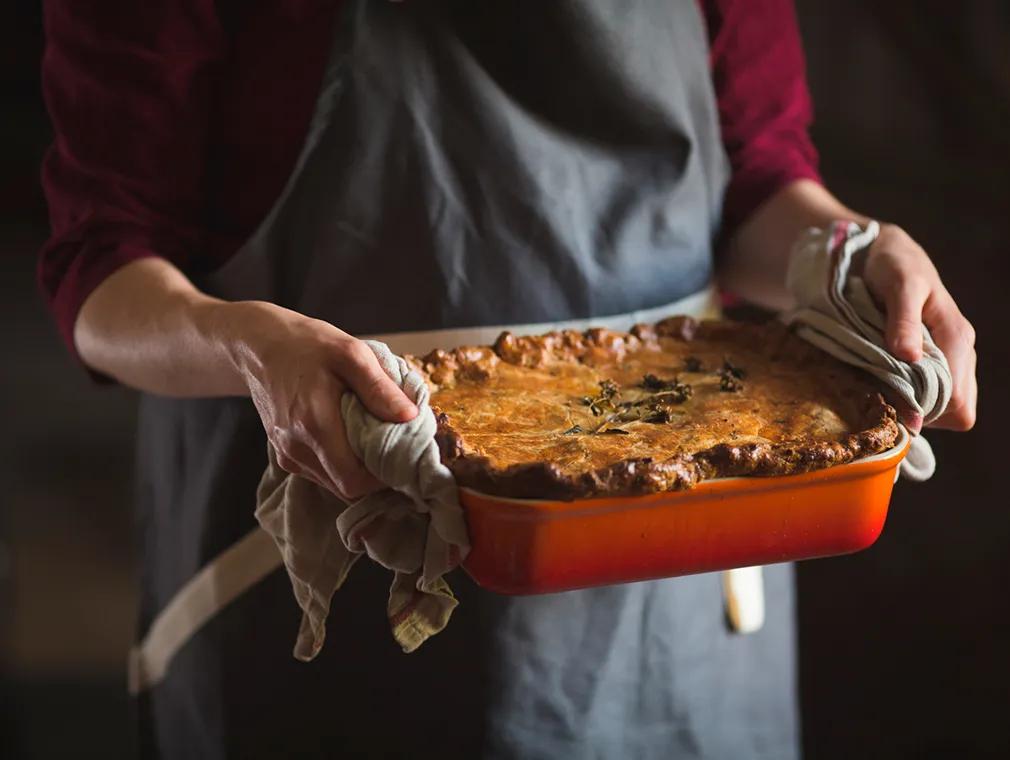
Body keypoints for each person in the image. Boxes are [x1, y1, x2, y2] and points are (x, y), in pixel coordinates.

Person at [38, 1, 977, 757]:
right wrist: (244, 345)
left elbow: (757, 179)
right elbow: (102, 266)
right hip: (344, 518)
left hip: (692, 543)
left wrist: (848, 254)